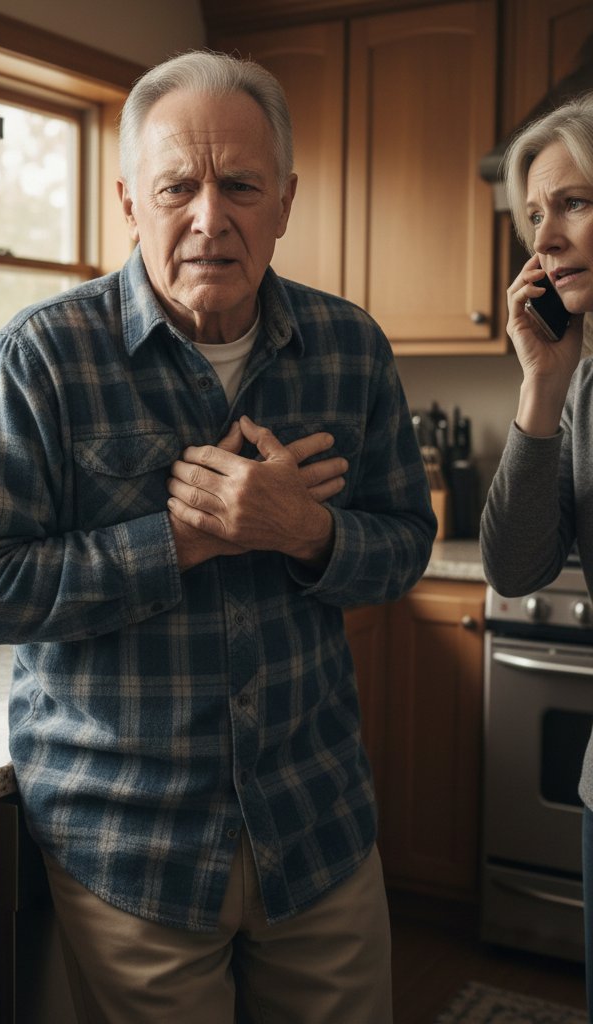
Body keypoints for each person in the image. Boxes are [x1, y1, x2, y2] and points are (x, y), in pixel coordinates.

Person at [0, 50, 435, 1024]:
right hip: (128, 848)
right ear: (130, 200)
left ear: (284, 200)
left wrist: (306, 530)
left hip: (317, 828)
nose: (210, 218)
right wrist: (182, 541)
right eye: (178, 187)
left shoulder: (350, 347)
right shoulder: (41, 355)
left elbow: (407, 542)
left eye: (240, 185)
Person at [479, 91, 593, 1017]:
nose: (545, 240)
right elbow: (515, 569)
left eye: (575, 204)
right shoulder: (579, 381)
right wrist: (542, 382)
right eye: (534, 216)